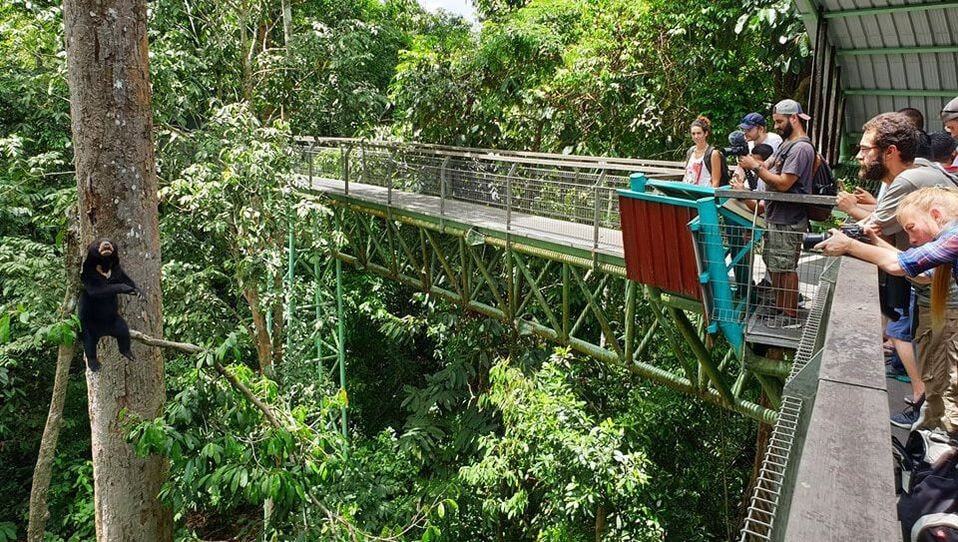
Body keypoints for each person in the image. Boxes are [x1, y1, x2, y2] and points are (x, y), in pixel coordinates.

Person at [818, 187, 958, 437]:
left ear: (936, 214)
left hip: (951, 324)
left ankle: (942, 459)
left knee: (948, 391)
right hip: (943, 320)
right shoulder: (946, 240)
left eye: (911, 228)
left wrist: (849, 245)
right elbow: (911, 259)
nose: (911, 238)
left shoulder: (954, 236)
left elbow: (902, 266)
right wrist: (874, 241)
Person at [738, 99, 815, 329]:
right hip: (775, 215)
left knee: (785, 267)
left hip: (788, 218)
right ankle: (781, 307)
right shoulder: (786, 144)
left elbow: (783, 183)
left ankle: (790, 314)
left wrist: (755, 166)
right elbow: (769, 165)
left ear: (794, 119)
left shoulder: (801, 148)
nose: (777, 126)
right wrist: (749, 168)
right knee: (774, 264)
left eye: (780, 121)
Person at [683, 116, 724, 188]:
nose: (696, 136)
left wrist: (710, 197)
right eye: (693, 133)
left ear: (706, 133)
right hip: (689, 193)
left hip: (704, 195)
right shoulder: (690, 151)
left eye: (699, 133)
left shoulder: (713, 154)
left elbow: (716, 182)